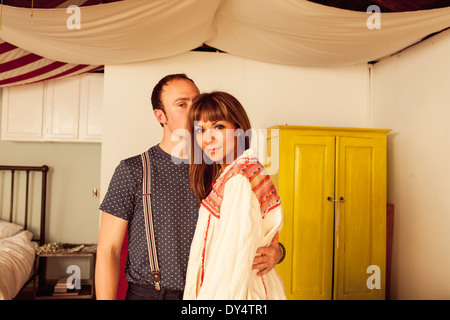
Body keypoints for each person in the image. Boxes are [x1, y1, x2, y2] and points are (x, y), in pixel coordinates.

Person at [95, 74, 283, 300]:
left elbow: (251, 232)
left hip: (209, 294)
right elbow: (108, 251)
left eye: (197, 101)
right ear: (160, 116)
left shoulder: (224, 170)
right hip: (151, 295)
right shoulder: (133, 170)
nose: (195, 109)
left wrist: (278, 252)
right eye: (182, 104)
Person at [183, 91, 286, 300]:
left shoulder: (239, 180)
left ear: (239, 131)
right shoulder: (232, 174)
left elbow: (229, 265)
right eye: (200, 130)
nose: (208, 137)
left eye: (218, 126)